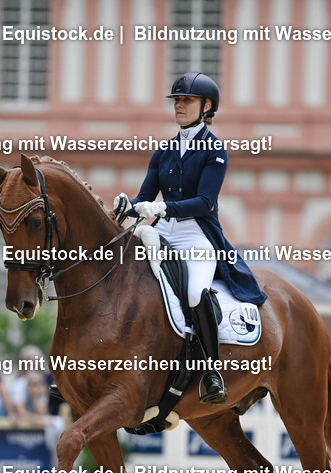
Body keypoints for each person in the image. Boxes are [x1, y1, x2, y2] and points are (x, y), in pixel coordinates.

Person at [113, 72, 266, 406]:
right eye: (177, 101)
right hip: (161, 233)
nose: (179, 106)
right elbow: (145, 197)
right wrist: (129, 206)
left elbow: (205, 202)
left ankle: (212, 371)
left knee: (196, 292)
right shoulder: (164, 152)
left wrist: (162, 207)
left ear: (206, 106)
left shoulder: (215, 151)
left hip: (196, 235)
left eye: (187, 101)